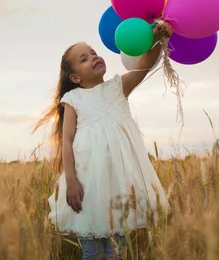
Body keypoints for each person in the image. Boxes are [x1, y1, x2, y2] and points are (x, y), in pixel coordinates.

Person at [34, 22, 173, 259]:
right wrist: (70, 179)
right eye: (84, 58)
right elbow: (67, 141)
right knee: (91, 250)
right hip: (87, 182)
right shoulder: (73, 98)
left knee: (117, 248)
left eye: (94, 53)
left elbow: (145, 65)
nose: (93, 57)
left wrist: (157, 39)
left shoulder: (118, 87)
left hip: (119, 183)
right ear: (75, 77)